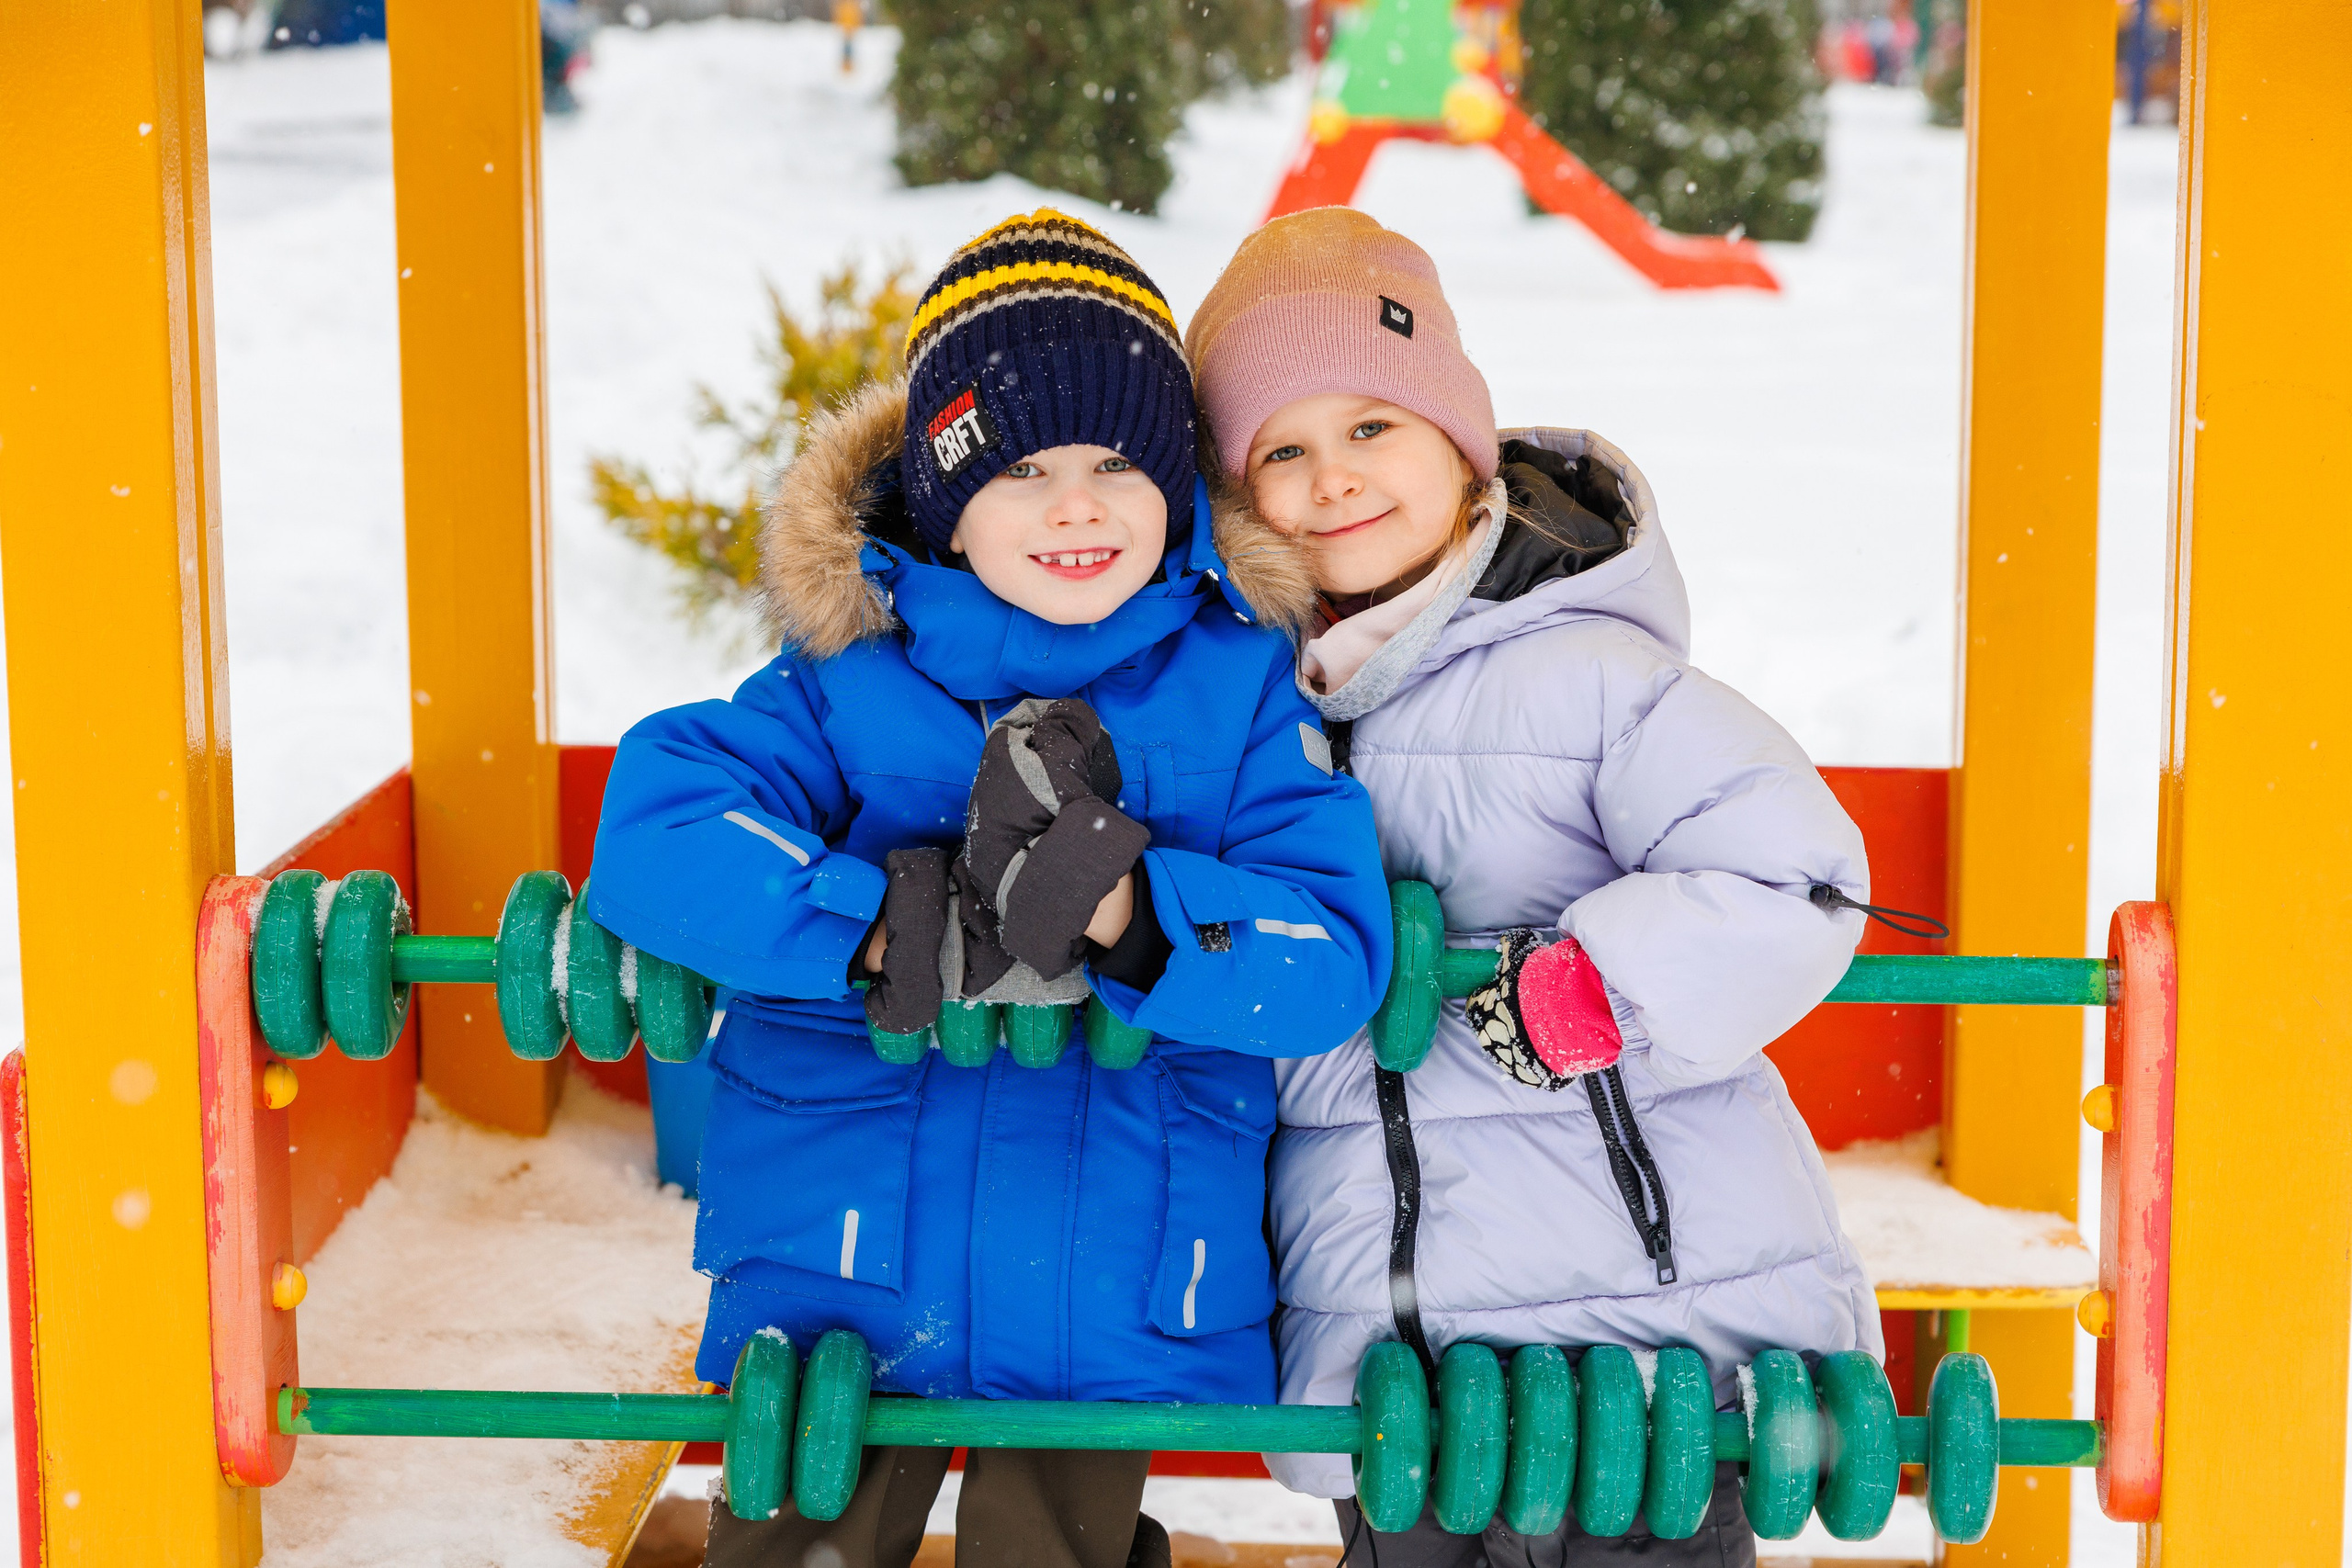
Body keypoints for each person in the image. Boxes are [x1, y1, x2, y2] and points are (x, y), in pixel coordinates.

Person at [588, 209, 1393, 1568]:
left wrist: (1136, 914)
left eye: (1117, 464)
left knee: (1051, 1551)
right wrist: (869, 924)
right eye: (1021, 468)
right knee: (801, 1544)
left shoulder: (1239, 685)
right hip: (847, 1255)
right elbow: (663, 828)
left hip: (1112, 1258)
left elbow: (1330, 948)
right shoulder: (850, 677)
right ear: (943, 494)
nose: (1077, 506)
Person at [1185, 207, 1882, 1566]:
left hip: (1645, 1347)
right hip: (1401, 1377)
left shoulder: (1589, 679)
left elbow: (1793, 872)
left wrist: (1594, 988)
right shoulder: (1247, 721)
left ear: (1460, 443)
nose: (1334, 478)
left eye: (1372, 426)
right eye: (1283, 451)